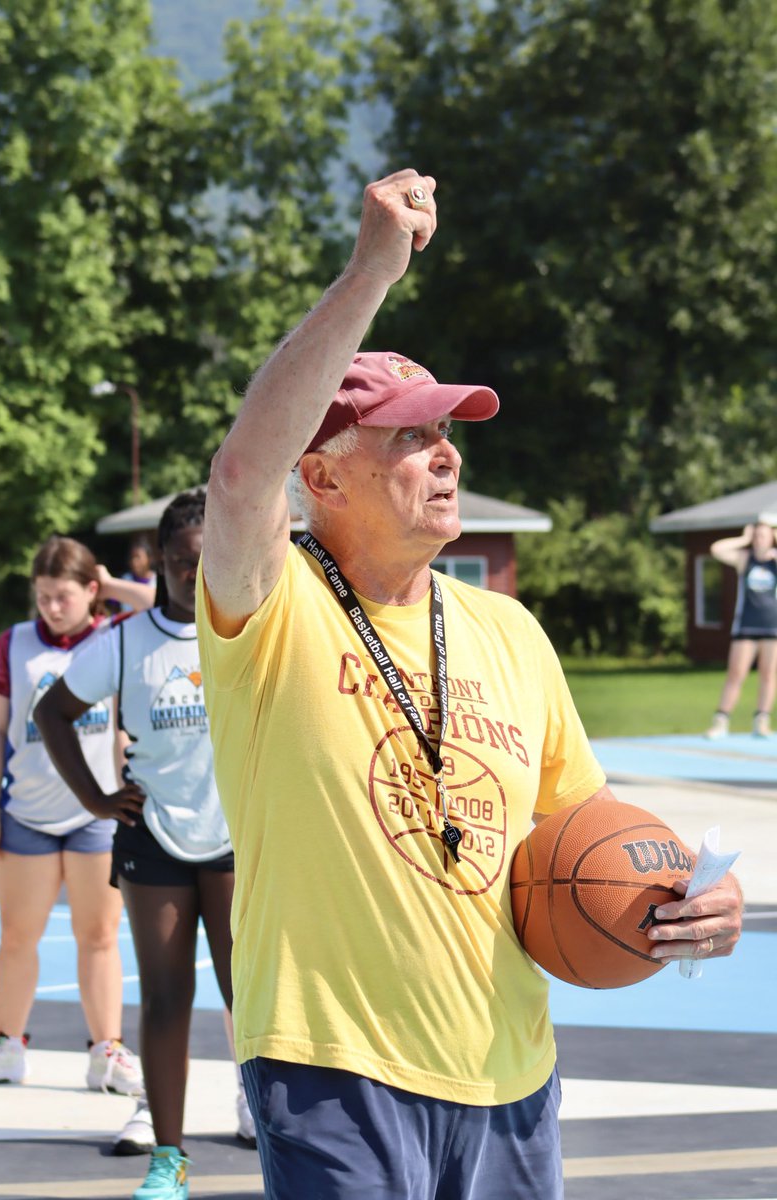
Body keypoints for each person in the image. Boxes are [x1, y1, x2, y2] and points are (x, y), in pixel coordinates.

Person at [195, 168, 745, 1200]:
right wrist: (371, 270)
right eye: (410, 436)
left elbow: (583, 820)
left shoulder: (505, 629)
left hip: (510, 1070)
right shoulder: (272, 608)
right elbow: (236, 478)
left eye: (447, 433)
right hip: (333, 1070)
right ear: (321, 476)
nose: (446, 455)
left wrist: (692, 895)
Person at [34, 491, 256, 1200]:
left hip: (233, 838)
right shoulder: (126, 642)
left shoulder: (250, 631)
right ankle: (170, 1158)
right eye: (183, 562)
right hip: (152, 840)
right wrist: (96, 800)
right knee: (165, 999)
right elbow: (53, 712)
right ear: (161, 562)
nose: (196, 573)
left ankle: (278, 1132)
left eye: (207, 560)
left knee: (248, 995)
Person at [0, 537, 149, 1095]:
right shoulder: (15, 644)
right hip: (25, 812)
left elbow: (165, 602)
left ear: (91, 592)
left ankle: (107, 1051)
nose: (51, 607)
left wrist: (114, 583)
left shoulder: (115, 635)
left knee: (98, 936)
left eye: (64, 597)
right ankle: (7, 1045)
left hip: (96, 815)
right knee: (16, 936)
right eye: (44, 596)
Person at [705, 522, 777, 739]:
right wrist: (742, 539)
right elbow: (716, 550)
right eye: (756, 536)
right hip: (746, 626)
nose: (759, 539)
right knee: (736, 673)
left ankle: (762, 721)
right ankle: (721, 720)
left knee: (769, 675)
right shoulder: (746, 559)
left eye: (764, 536)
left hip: (772, 627)